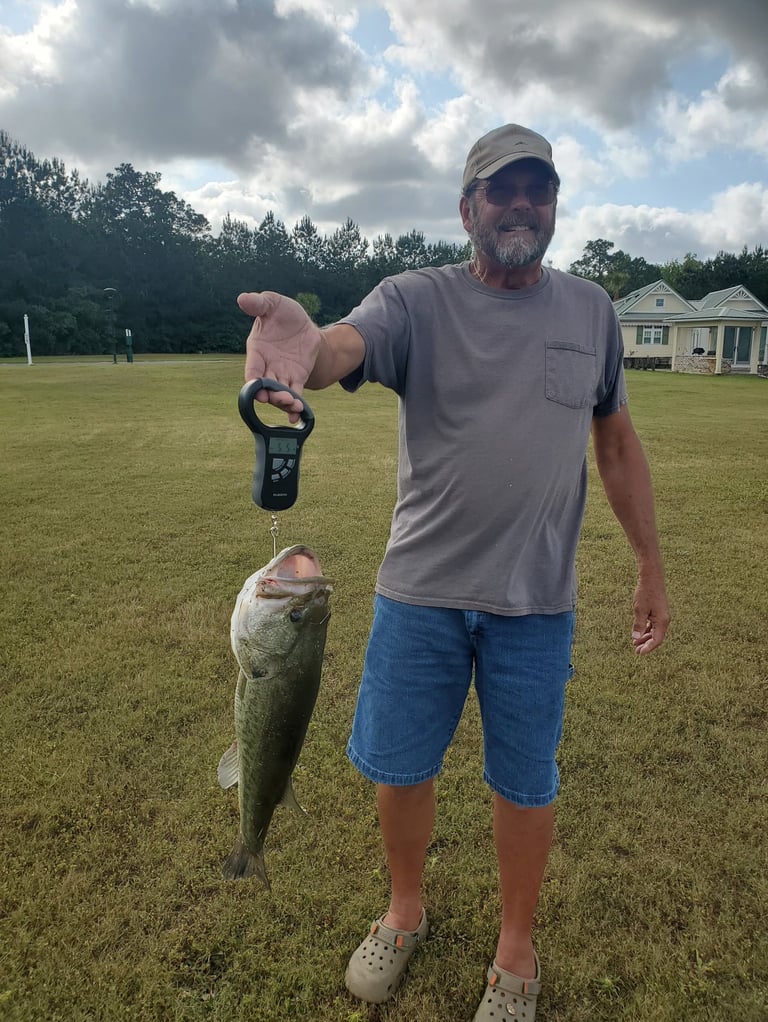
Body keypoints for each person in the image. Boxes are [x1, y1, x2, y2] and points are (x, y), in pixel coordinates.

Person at [238, 123, 670, 1021]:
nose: (520, 205)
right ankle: (404, 911)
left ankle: (517, 947)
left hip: (535, 601)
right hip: (419, 594)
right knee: (402, 768)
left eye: (536, 190)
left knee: (526, 780)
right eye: (500, 190)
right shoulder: (416, 298)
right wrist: (302, 353)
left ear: (553, 205)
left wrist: (649, 567)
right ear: (466, 207)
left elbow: (616, 442)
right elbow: (342, 348)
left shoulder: (592, 310)